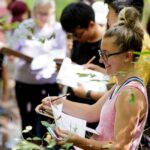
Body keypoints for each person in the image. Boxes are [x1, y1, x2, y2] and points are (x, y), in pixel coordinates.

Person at [36, 7, 148, 149]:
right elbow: (91, 112)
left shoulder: (130, 94)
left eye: (106, 55)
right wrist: (58, 103)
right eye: (101, 53)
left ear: (127, 56)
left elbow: (120, 147)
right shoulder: (121, 86)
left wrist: (78, 141)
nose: (101, 61)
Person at [10, 0, 67, 137]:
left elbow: (63, 53)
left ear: (52, 13)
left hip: (48, 83)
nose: (43, 17)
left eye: (47, 14)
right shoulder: (25, 26)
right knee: (27, 119)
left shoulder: (58, 29)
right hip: (25, 80)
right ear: (34, 12)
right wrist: (15, 56)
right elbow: (13, 49)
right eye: (40, 13)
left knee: (47, 121)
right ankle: (29, 144)